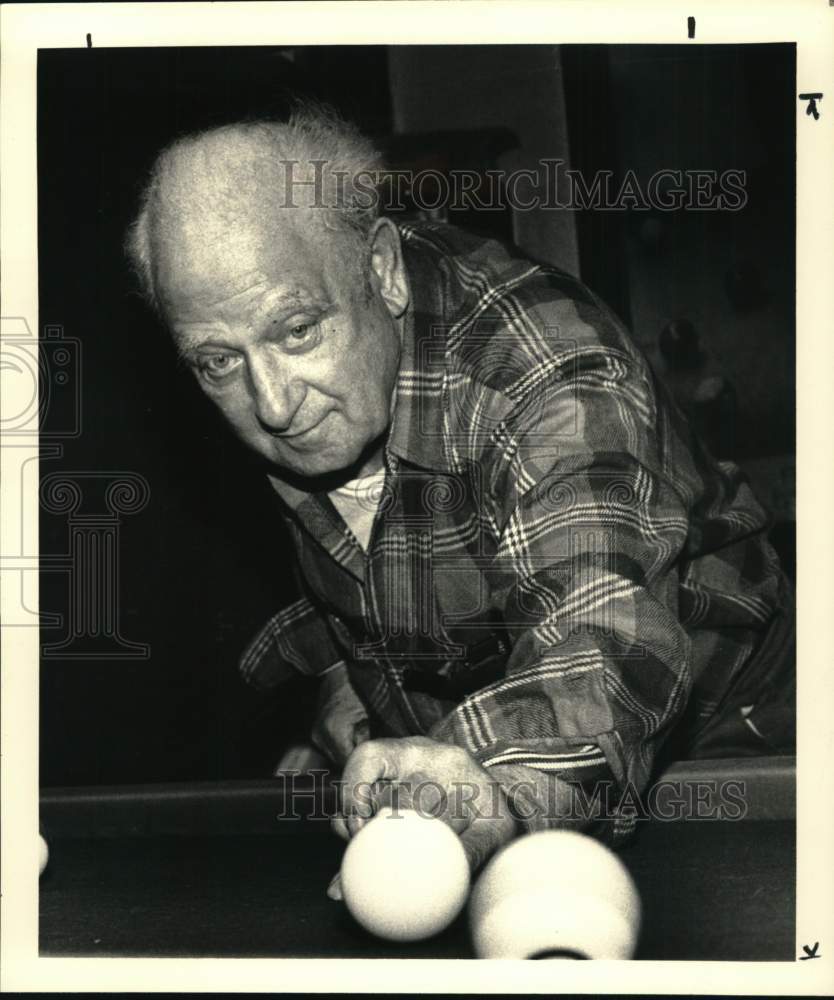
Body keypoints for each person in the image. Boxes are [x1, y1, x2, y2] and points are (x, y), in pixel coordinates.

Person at [126, 105, 795, 889]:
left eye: (298, 330)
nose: (272, 404)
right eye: (215, 363)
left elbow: (605, 631)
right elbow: (388, 558)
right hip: (486, 749)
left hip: (735, 747)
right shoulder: (300, 374)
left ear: (379, 269)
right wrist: (346, 685)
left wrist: (479, 780)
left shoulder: (548, 365)